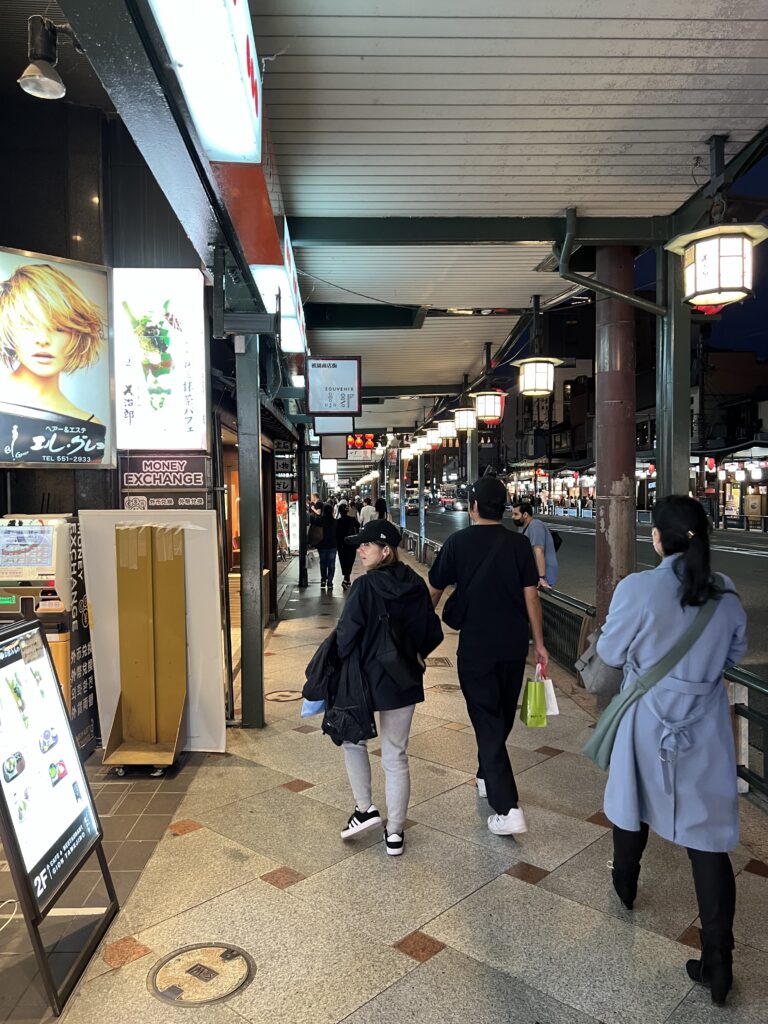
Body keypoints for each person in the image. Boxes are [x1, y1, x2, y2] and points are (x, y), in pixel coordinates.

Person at [596, 496, 747, 1005]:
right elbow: (733, 653)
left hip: (648, 717)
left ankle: (626, 883)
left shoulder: (637, 589)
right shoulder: (725, 593)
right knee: (708, 839)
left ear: (656, 538)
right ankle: (718, 963)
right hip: (704, 723)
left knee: (632, 802)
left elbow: (610, 652)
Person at [428, 476, 549, 836]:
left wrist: (416, 633)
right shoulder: (518, 544)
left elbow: (433, 591)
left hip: (477, 648)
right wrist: (540, 644)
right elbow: (532, 597)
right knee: (500, 716)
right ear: (505, 508)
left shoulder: (457, 543)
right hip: (513, 646)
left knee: (487, 719)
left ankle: (508, 807)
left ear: (474, 507)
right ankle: (485, 774)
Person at [336, 519, 443, 855]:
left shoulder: (364, 587)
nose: (361, 550)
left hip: (365, 679)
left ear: (386, 551)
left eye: (367, 544)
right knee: (395, 753)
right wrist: (416, 653)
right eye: (360, 544)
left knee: (353, 740)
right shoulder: (415, 583)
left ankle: (364, 809)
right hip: (403, 678)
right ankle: (395, 833)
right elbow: (433, 630)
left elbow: (345, 636)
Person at [0, 263, 107, 463]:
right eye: (29, 324)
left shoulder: (88, 427)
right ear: (9, 329)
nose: (43, 339)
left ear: (77, 333)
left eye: (58, 328)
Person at [512, 501, 558, 589]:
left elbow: (539, 550)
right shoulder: (523, 527)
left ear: (525, 514)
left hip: (542, 572)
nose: (513, 517)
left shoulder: (535, 526)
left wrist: (542, 577)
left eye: (516, 514)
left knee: (534, 595)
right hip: (533, 570)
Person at [336, 501, 359, 589]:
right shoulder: (352, 519)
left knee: (343, 561)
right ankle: (346, 579)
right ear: (347, 511)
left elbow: (336, 534)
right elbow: (358, 526)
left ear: (339, 512)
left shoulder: (338, 522)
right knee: (350, 561)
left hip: (341, 545)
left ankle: (347, 579)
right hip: (351, 544)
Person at [316, 503, 338, 589]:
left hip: (322, 545)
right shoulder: (335, 522)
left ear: (324, 511)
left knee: (323, 563)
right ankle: (330, 582)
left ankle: (323, 580)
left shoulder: (320, 521)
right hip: (332, 545)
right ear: (332, 511)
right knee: (331, 564)